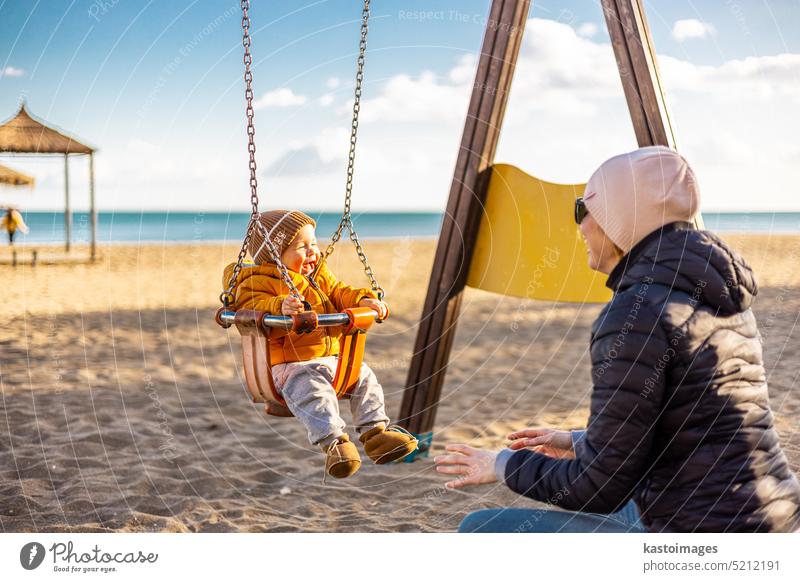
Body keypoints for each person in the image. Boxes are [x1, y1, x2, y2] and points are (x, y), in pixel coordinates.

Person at [434, 146, 800, 532]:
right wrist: (580, 441)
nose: (580, 226)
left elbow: (599, 487)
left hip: (699, 535)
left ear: (620, 219)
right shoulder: (715, 292)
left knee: (481, 530)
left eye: (583, 209)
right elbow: (698, 420)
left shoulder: (635, 313)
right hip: (774, 515)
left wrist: (501, 464)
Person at [223, 210, 417, 479]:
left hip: (332, 361)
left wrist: (364, 300)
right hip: (289, 367)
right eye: (302, 246)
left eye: (314, 243)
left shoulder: (319, 275)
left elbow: (340, 292)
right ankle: (335, 444)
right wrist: (279, 306)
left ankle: (376, 435)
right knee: (313, 392)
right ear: (274, 254)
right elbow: (249, 305)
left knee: (365, 377)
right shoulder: (258, 281)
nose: (313, 251)